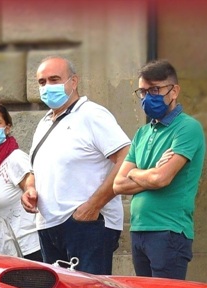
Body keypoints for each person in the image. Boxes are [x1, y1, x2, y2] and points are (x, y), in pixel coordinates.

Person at [22, 56, 130, 275]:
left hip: (85, 224)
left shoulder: (92, 114)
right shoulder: (44, 123)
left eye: (54, 79)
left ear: (74, 81)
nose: (47, 87)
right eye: (42, 82)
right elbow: (40, 168)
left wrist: (93, 206)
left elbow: (127, 157)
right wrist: (30, 190)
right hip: (49, 226)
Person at [113, 59, 206, 280]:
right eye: (143, 92)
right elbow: (118, 184)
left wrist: (136, 172)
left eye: (155, 89)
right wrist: (150, 172)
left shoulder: (187, 127)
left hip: (169, 231)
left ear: (174, 91)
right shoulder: (142, 133)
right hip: (139, 229)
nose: (147, 97)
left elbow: (161, 179)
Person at [0, 103, 39, 260]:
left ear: (7, 128)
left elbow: (29, 181)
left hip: (28, 247)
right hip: (3, 249)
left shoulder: (15, 157)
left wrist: (30, 189)